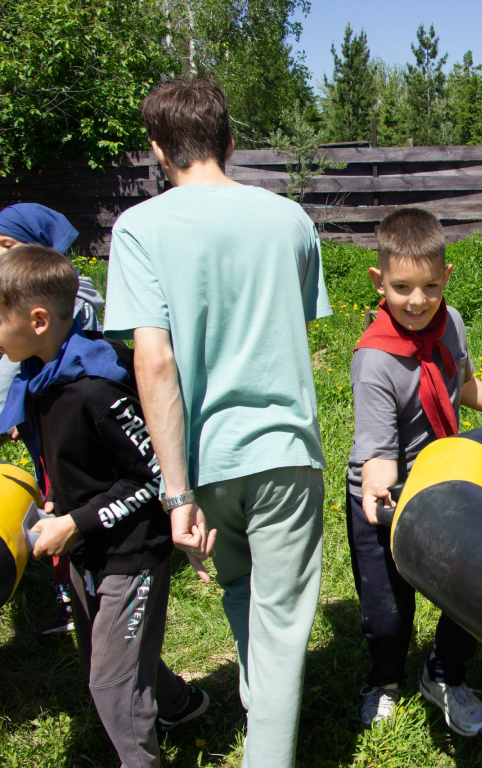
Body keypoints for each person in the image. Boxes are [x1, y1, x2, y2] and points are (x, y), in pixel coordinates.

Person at [102, 79, 331, 768]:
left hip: (204, 463)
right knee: (281, 626)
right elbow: (292, 321)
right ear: (231, 141)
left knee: (241, 591)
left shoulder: (137, 228)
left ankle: (264, 724)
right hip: (285, 453)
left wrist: (175, 492)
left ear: (157, 149)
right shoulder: (290, 219)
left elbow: (154, 361)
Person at [0, 244, 209, 767]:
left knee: (111, 683)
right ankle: (180, 704)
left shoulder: (96, 388)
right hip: (86, 543)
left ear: (38, 320)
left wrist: (76, 521)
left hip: (130, 551)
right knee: (101, 651)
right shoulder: (38, 377)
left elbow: (152, 476)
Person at [349, 207, 482, 735]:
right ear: (378, 281)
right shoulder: (373, 361)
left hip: (445, 482)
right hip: (383, 497)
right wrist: (376, 483)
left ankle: (445, 673)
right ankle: (384, 680)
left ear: (446, 277)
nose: (418, 301)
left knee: (472, 589)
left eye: (430, 286)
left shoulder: (452, 323)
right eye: (402, 287)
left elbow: (463, 386)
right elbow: (379, 451)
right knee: (387, 616)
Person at [0, 203, 105, 639]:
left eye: (7, 244)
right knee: (54, 496)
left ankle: (79, 590)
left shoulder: (68, 305)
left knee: (67, 498)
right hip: (42, 419)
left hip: (67, 425)